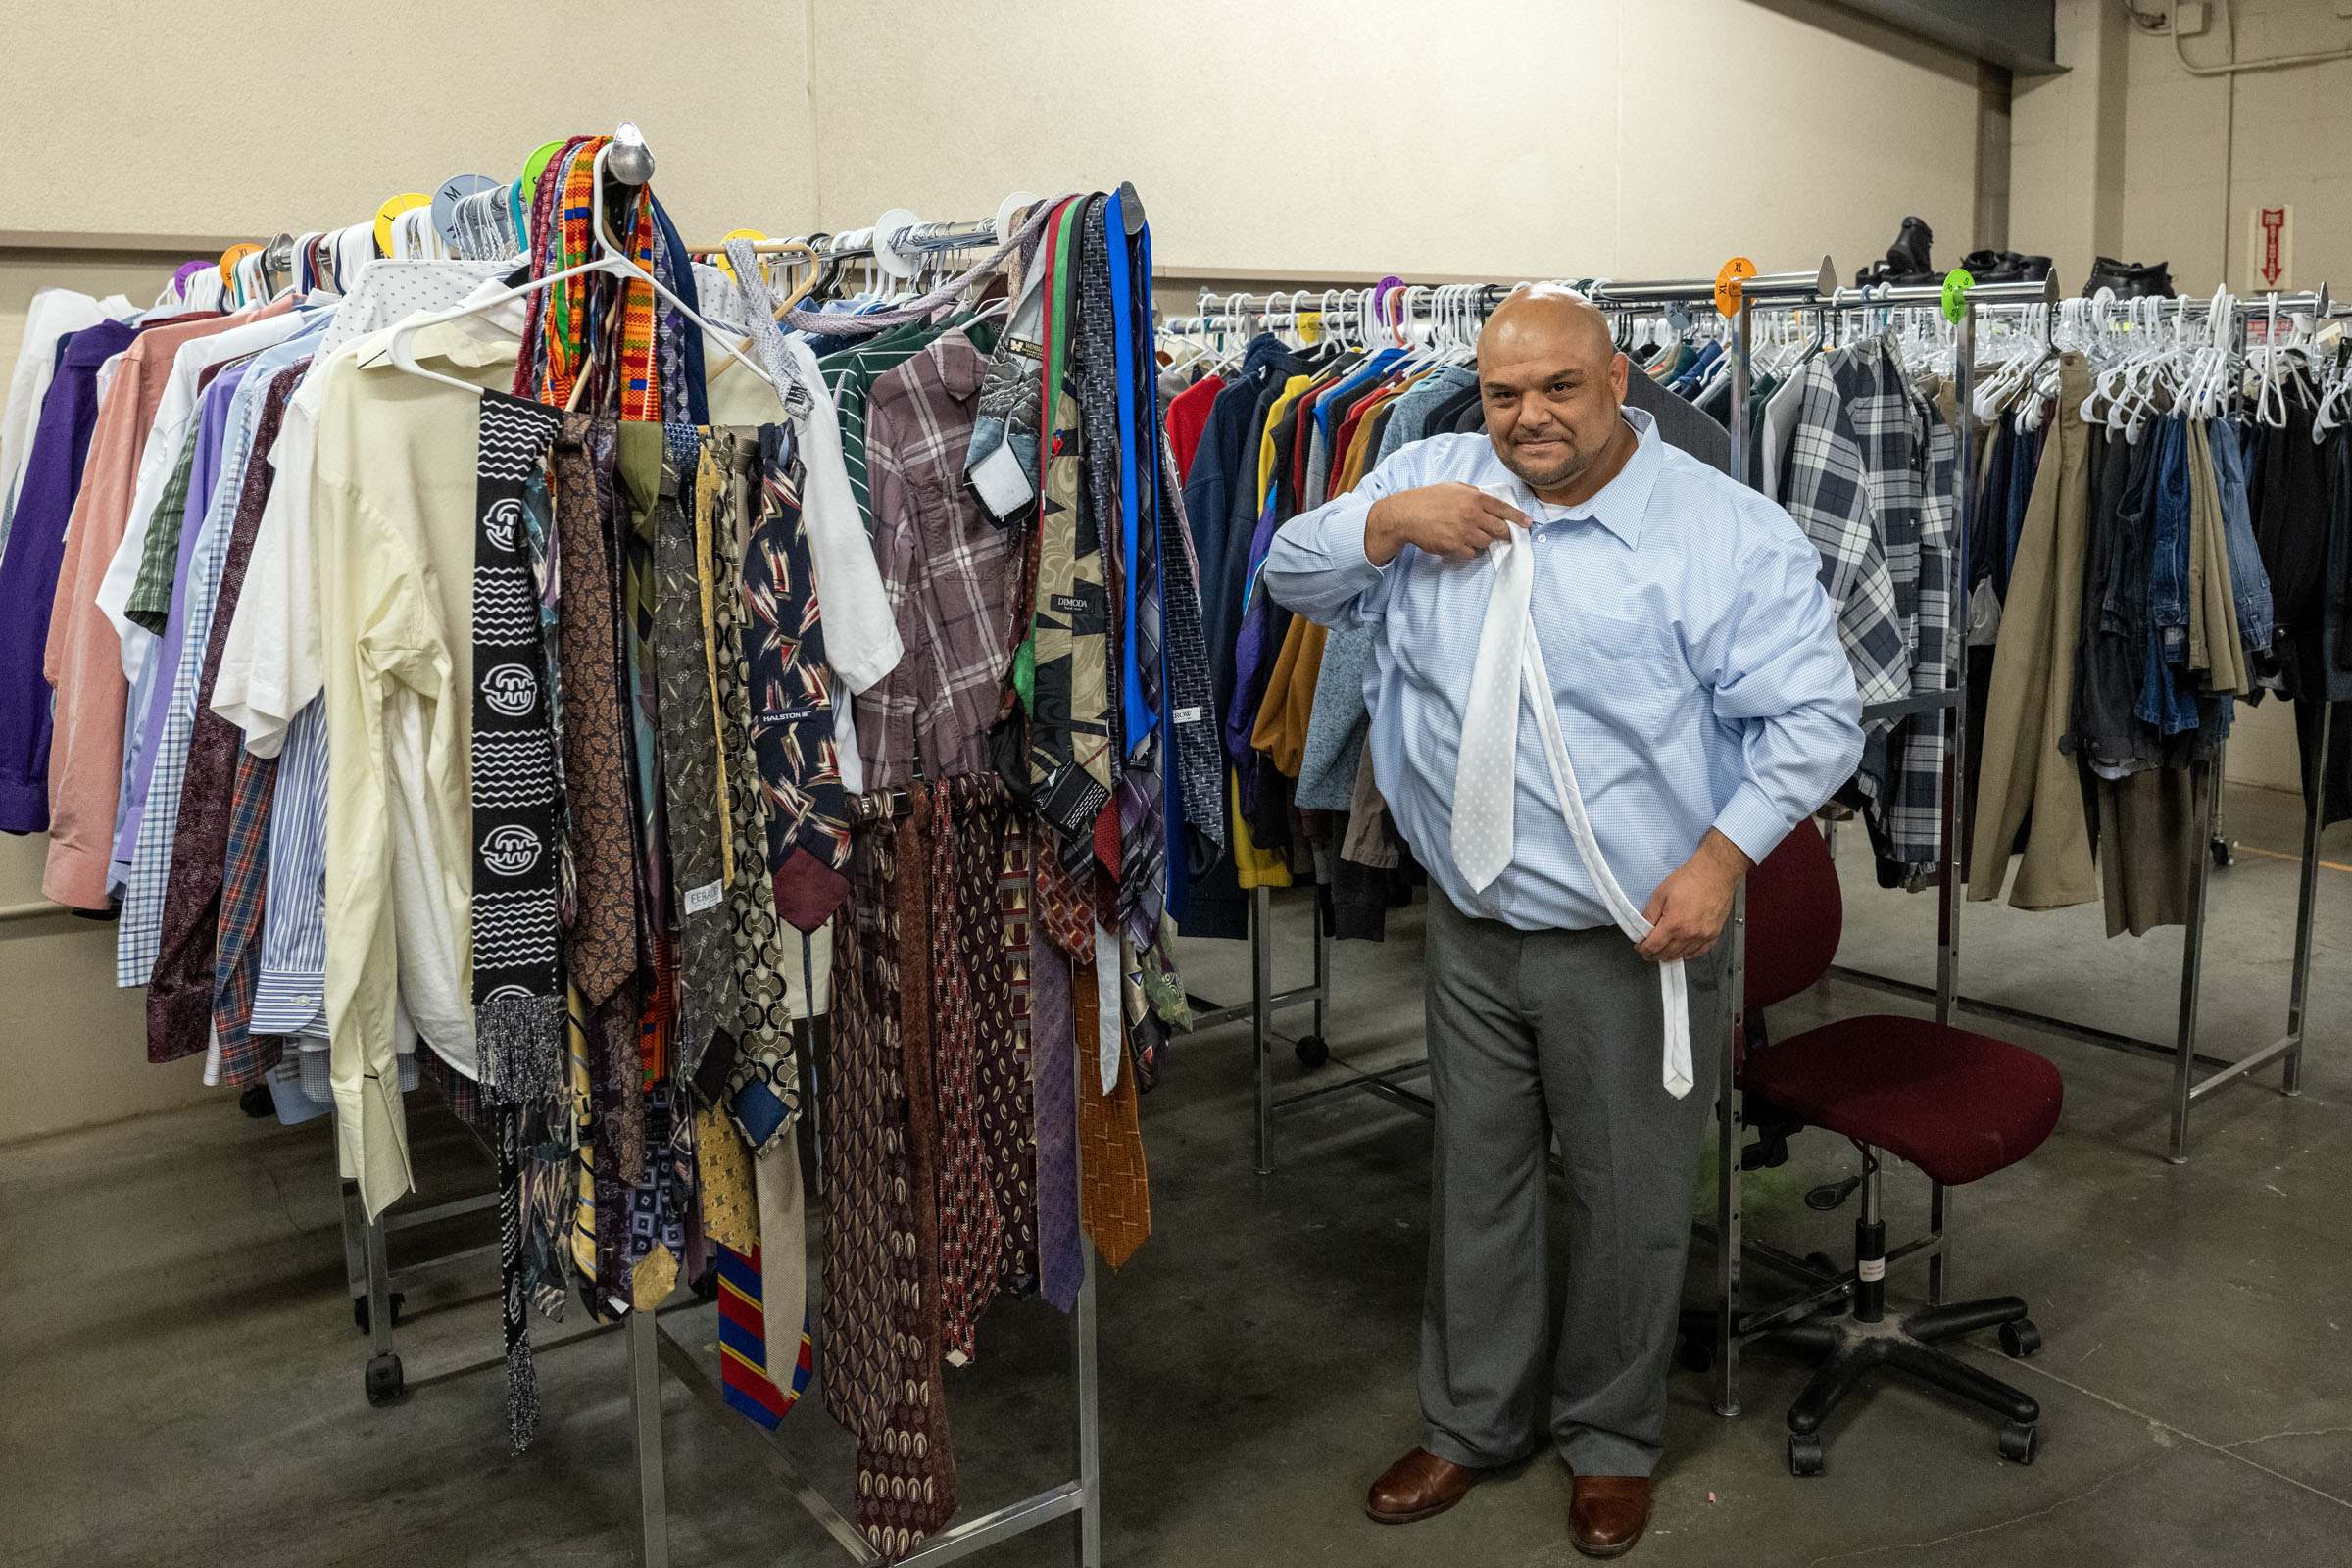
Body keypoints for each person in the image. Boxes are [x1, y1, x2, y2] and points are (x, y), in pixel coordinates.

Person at [1260, 284, 1863, 1558]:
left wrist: (1719, 860)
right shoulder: (1431, 471)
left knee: (1629, 1202)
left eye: (1559, 388)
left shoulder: (1723, 533)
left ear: (1622, 378)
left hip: (1633, 943)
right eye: (1502, 392)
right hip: (1472, 930)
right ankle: (1472, 1424)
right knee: (1474, 1190)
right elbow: (1284, 571)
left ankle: (1611, 1438)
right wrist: (1381, 522)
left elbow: (1815, 722)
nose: (1528, 417)